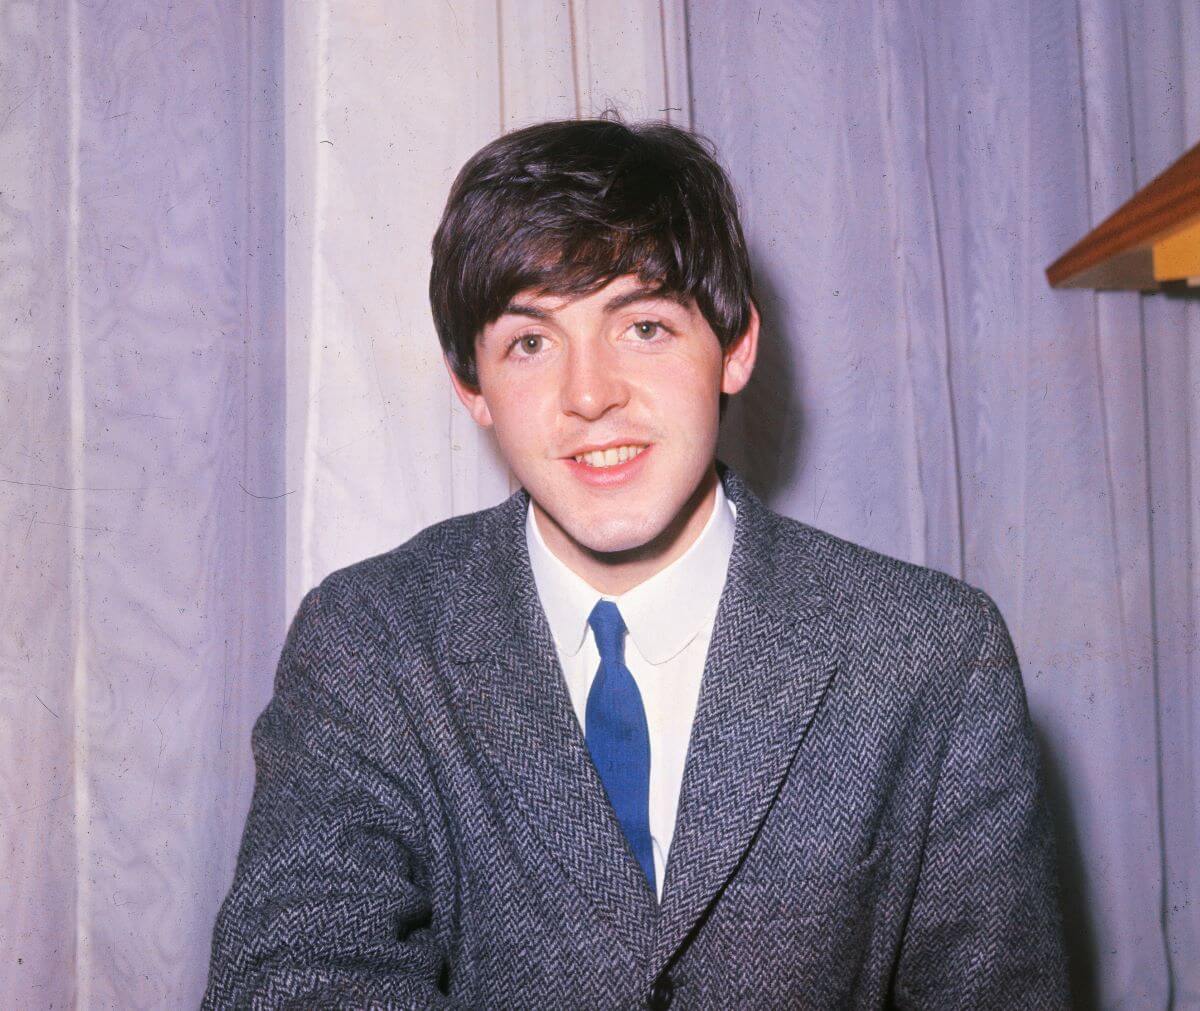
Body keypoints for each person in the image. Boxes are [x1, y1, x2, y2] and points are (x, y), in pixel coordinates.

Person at [203, 117, 1069, 1009]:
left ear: (734, 348)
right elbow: (293, 981)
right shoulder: (369, 641)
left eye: (644, 326)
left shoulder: (932, 654)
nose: (589, 395)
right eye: (531, 343)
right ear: (473, 389)